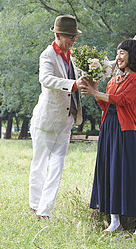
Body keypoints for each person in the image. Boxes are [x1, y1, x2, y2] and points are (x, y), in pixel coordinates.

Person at [80, 39, 136, 239]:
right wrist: (95, 90)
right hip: (108, 128)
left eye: (122, 53)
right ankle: (115, 220)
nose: (118, 57)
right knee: (109, 171)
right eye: (117, 53)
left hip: (125, 130)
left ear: (132, 55)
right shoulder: (113, 81)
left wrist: (96, 92)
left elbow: (123, 101)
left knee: (130, 173)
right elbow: (106, 106)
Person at [29, 14, 85, 219]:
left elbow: (94, 66)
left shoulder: (73, 56)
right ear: (58, 35)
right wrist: (72, 84)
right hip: (46, 120)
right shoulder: (47, 55)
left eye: (75, 36)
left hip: (67, 121)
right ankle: (35, 206)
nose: (73, 40)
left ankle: (45, 211)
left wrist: (119, 61)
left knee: (57, 167)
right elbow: (45, 79)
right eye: (70, 36)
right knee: (40, 165)